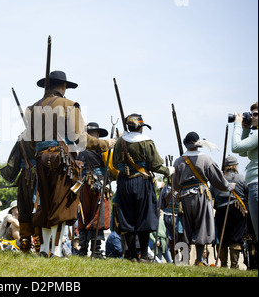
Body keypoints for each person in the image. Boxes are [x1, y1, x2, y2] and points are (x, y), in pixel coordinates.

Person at [22, 70, 115, 258]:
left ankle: (43, 249)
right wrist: (106, 144)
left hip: (40, 158)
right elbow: (81, 139)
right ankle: (55, 250)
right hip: (62, 160)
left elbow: (31, 141)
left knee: (45, 203)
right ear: (63, 87)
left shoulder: (32, 108)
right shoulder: (69, 105)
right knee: (62, 203)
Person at [112, 113, 173, 263]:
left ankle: (133, 256)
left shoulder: (120, 142)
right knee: (144, 218)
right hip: (142, 182)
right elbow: (155, 165)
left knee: (127, 219)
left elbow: (114, 163)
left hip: (124, 183)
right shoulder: (147, 142)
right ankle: (144, 256)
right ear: (140, 127)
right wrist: (169, 170)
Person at [172, 131, 236, 266]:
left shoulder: (178, 161)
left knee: (183, 228)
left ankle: (182, 261)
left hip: (184, 197)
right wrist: (229, 186)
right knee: (202, 227)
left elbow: (175, 184)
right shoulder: (206, 159)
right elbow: (218, 180)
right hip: (201, 196)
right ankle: (199, 260)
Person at [77, 122, 111, 258]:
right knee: (98, 216)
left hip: (83, 184)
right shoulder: (103, 148)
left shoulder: (78, 148)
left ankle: (83, 250)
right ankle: (95, 251)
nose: (95, 135)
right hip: (99, 183)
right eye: (95, 133)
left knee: (84, 216)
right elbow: (113, 168)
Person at [0, 134, 38, 253]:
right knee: (36, 212)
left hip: (26, 179)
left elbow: (13, 163)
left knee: (25, 212)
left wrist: (8, 174)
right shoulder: (48, 134)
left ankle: (26, 245)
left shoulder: (23, 136)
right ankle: (39, 246)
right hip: (41, 179)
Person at [210, 155, 248, 268]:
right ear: (235, 166)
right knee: (236, 237)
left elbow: (211, 196)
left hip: (221, 211)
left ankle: (223, 264)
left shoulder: (218, 180)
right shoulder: (242, 178)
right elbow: (247, 194)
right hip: (238, 210)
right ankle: (234, 265)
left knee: (222, 238)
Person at [232, 102, 258, 242]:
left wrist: (237, 124)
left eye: (256, 114)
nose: (252, 117)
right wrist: (246, 129)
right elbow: (243, 153)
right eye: (251, 114)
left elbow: (236, 147)